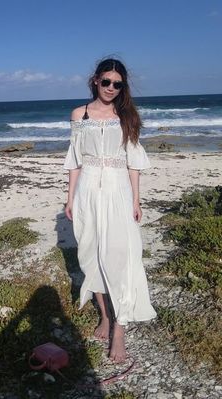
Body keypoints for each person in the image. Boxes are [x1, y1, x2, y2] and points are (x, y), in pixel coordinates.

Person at [63, 58, 157, 363]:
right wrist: (69, 198)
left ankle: (120, 326)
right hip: (87, 191)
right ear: (95, 80)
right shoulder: (80, 114)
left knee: (120, 256)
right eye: (107, 82)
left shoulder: (127, 115)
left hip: (118, 192)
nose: (111, 88)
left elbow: (133, 163)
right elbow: (75, 160)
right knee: (91, 256)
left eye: (118, 84)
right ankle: (105, 315)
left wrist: (136, 200)